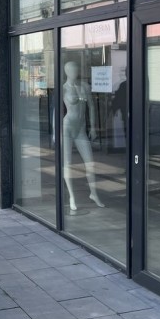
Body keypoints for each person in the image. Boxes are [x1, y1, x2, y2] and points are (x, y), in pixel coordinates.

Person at [62, 61, 104, 211]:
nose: (74, 72)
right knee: (67, 163)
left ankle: (94, 193)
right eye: (71, 70)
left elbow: (92, 107)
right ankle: (72, 197)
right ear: (66, 72)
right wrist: (55, 131)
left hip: (81, 128)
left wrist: (93, 127)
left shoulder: (85, 86)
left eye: (76, 70)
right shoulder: (63, 88)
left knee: (90, 162)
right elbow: (56, 110)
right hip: (67, 127)